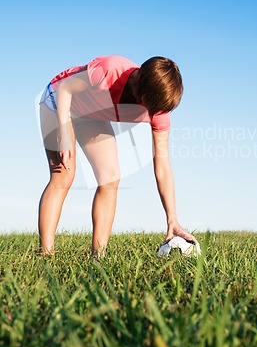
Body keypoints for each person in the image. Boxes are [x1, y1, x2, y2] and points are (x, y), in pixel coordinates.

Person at [38, 54, 195, 256]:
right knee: (64, 174)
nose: (150, 113)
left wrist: (172, 218)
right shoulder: (109, 70)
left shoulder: (158, 108)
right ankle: (46, 254)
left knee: (110, 177)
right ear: (138, 82)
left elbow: (163, 166)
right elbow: (66, 88)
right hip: (57, 100)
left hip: (91, 114)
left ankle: (98, 256)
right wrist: (65, 132)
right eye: (147, 105)